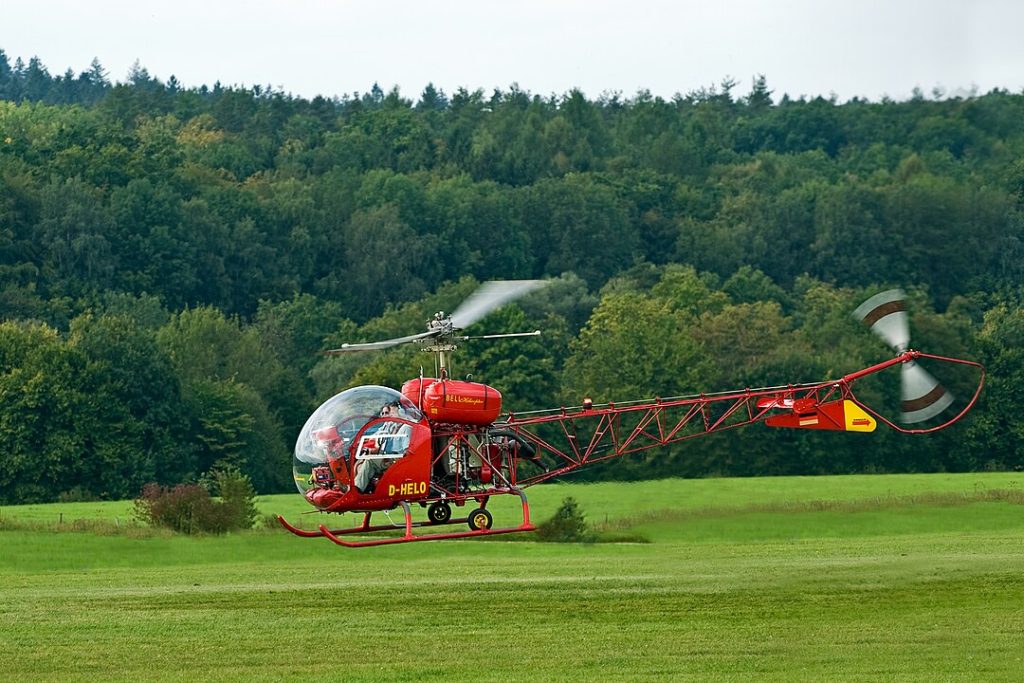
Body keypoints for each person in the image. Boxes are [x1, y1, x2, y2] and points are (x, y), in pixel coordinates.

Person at [354, 402, 412, 493]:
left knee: (370, 461)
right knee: (361, 460)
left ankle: (357, 489)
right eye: (384, 413)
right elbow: (374, 438)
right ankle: (363, 488)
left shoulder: (406, 427)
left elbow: (406, 451)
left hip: (396, 461)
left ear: (401, 413)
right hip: (388, 458)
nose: (388, 416)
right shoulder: (390, 427)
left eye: (391, 413)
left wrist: (391, 459)